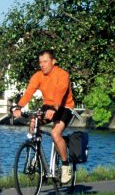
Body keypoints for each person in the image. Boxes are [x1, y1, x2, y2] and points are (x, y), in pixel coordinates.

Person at [12, 49, 75, 184]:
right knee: (33, 122)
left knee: (55, 133)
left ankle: (65, 166)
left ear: (53, 61)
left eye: (45, 62)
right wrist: (18, 107)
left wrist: (54, 108)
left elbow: (60, 93)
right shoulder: (38, 76)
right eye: (40, 62)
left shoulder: (62, 75)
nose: (42, 65)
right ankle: (36, 152)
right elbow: (29, 92)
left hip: (64, 106)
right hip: (48, 105)